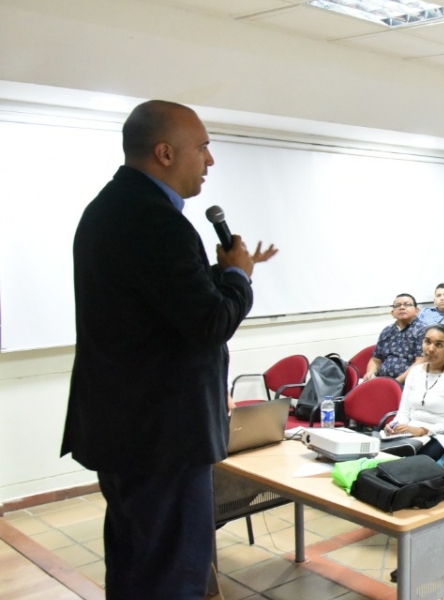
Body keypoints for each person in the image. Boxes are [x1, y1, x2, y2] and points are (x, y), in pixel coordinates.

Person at [63, 100, 276, 599]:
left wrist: (220, 273)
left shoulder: (112, 209)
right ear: (164, 152)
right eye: (202, 147)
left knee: (138, 564)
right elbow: (208, 323)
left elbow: (159, 306)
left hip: (128, 430)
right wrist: (236, 276)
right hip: (162, 438)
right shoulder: (157, 223)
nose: (210, 160)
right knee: (171, 575)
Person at [383, 324, 444, 460]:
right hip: (409, 432)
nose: (430, 349)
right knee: (381, 454)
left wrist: (425, 430)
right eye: (427, 342)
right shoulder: (415, 371)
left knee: (413, 462)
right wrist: (394, 425)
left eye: (438, 344)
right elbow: (404, 412)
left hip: (439, 435)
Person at [365, 294, 428, 384]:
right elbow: (376, 359)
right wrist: (371, 372)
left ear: (416, 311)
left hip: (409, 383)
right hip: (382, 380)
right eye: (398, 305)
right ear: (393, 313)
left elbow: (421, 362)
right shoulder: (387, 331)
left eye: (407, 304)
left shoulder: (424, 330)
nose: (402, 307)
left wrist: (395, 383)